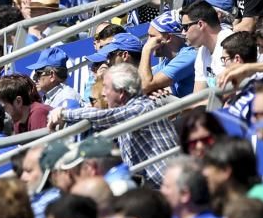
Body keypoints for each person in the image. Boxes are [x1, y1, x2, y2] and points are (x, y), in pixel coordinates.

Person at [47, 63, 179, 187]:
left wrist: (64, 114)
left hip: (168, 185)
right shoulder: (128, 110)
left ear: (121, 92)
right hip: (153, 184)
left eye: (106, 87)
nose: (103, 93)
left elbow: (103, 116)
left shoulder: (141, 108)